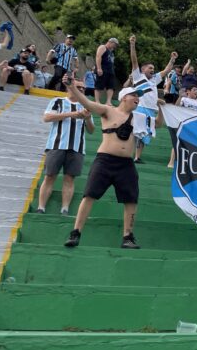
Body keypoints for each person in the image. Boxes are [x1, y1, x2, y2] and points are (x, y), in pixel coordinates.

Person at [62, 74, 148, 249]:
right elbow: (88, 104)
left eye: (138, 97)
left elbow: (160, 123)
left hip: (126, 164)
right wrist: (72, 87)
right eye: (134, 95)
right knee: (89, 195)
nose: (137, 99)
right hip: (105, 161)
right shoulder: (109, 110)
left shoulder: (138, 118)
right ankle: (76, 232)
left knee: (131, 199)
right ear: (124, 97)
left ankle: (128, 236)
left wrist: (162, 107)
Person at [36, 80, 95, 215]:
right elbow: (47, 118)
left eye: (83, 88)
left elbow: (91, 130)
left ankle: (65, 209)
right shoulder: (58, 101)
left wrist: (87, 118)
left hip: (77, 147)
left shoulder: (86, 106)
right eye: (78, 87)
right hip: (56, 145)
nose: (81, 90)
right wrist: (71, 114)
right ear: (70, 87)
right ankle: (41, 207)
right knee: (49, 176)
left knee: (70, 178)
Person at [129, 34, 178, 163]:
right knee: (135, 133)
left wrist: (172, 59)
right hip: (139, 108)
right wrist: (132, 44)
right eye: (150, 68)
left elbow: (166, 71)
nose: (152, 69)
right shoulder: (138, 76)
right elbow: (134, 60)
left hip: (151, 110)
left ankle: (137, 157)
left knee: (144, 135)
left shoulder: (154, 79)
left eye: (153, 68)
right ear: (143, 69)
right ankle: (127, 154)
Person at [94, 37, 119, 105]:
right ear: (110, 42)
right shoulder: (103, 47)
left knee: (111, 86)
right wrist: (99, 68)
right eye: (115, 44)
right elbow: (98, 57)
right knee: (99, 85)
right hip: (103, 69)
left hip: (110, 71)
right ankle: (97, 101)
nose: (115, 46)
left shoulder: (111, 52)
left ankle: (108, 101)